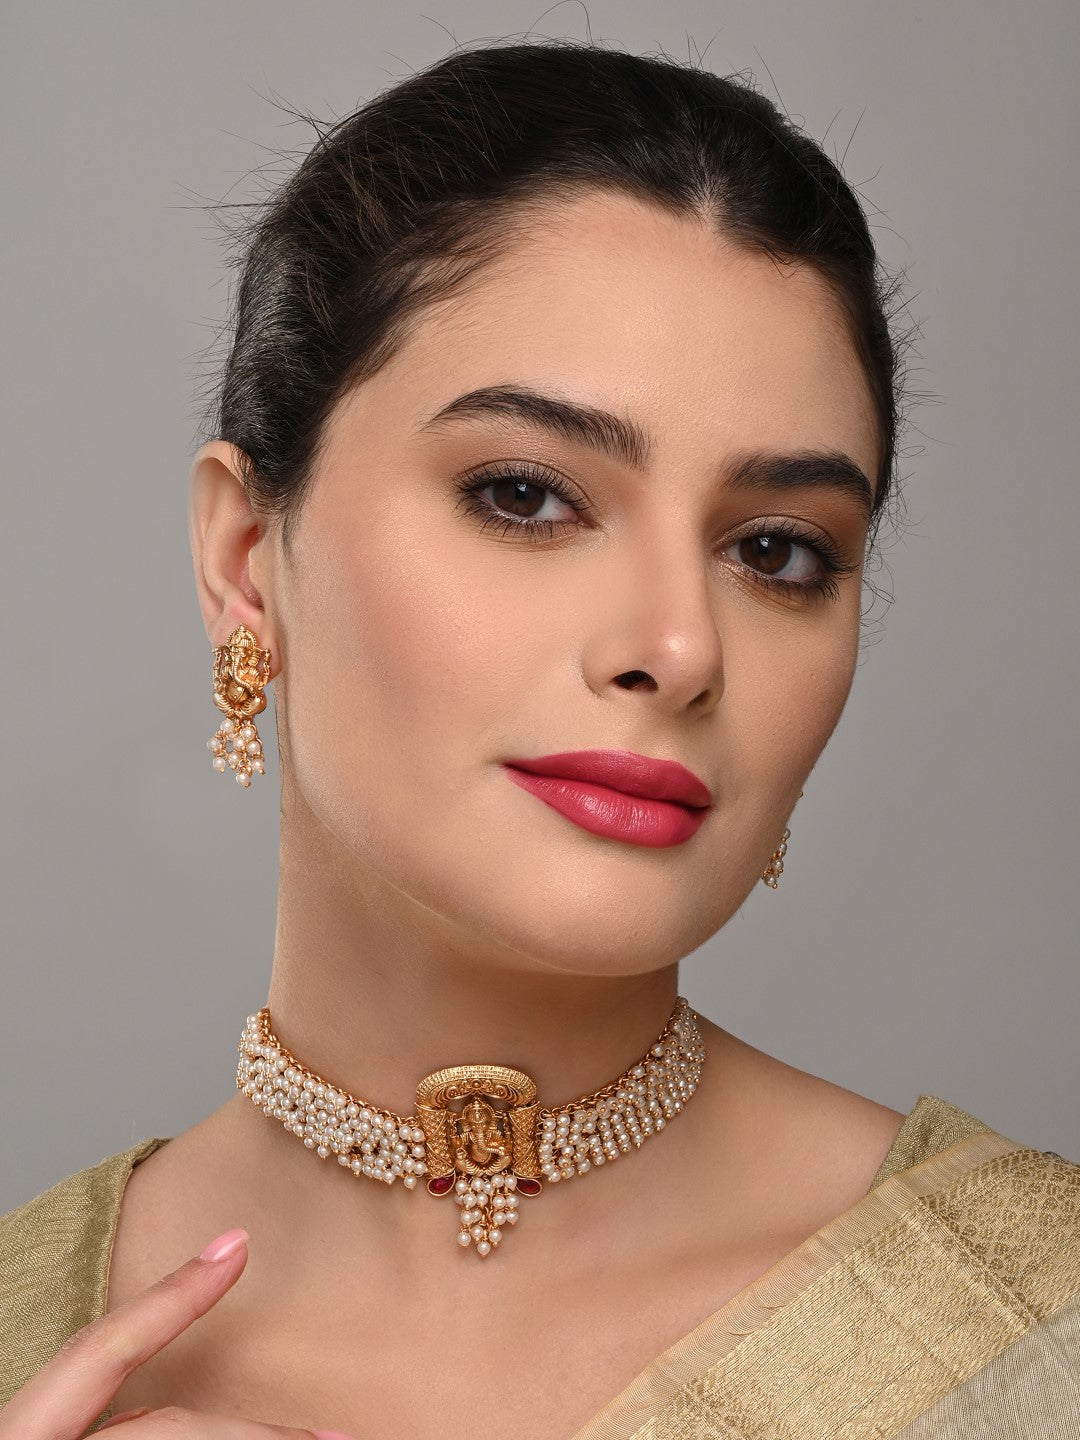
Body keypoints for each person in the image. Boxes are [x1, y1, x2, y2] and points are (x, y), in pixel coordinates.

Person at [1, 37, 1076, 1440]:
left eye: (776, 550)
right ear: (245, 560)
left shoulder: (1031, 1323)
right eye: (525, 495)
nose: (679, 647)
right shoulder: (23, 1329)